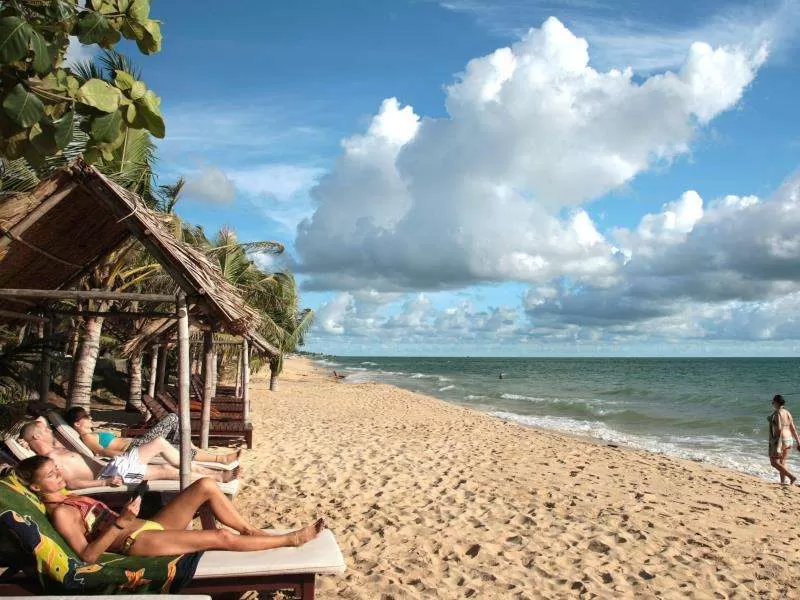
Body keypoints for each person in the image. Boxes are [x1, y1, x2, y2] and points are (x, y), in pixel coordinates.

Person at [15, 455, 325, 562]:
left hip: (148, 526)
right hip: (135, 541)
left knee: (206, 485)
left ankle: (250, 531)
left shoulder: (66, 493)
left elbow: (87, 487)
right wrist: (121, 522)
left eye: (57, 469)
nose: (59, 475)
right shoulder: (61, 512)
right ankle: (291, 539)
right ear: (36, 488)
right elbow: (87, 556)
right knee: (219, 537)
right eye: (51, 475)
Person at [19, 419, 236, 489]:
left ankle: (215, 475)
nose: (49, 430)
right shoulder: (49, 461)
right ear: (37, 436)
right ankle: (217, 476)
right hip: (112, 474)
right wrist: (104, 483)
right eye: (45, 430)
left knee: (162, 450)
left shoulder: (55, 447)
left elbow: (41, 420)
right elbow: (71, 484)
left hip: (114, 466)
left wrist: (26, 442)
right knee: (165, 465)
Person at [64, 407, 239, 464]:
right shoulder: (87, 437)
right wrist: (125, 457)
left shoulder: (93, 432)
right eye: (86, 417)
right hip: (135, 447)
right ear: (77, 424)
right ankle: (220, 459)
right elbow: (101, 451)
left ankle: (219, 458)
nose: (90, 418)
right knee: (173, 418)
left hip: (138, 442)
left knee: (176, 442)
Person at [768, 394, 800, 485]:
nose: (772, 403)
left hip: (780, 439)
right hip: (789, 439)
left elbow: (778, 428)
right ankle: (782, 482)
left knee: (774, 462)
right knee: (783, 461)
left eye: (773, 402)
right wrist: (798, 442)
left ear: (777, 402)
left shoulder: (777, 413)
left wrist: (771, 421)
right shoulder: (787, 412)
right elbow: (793, 429)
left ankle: (791, 477)